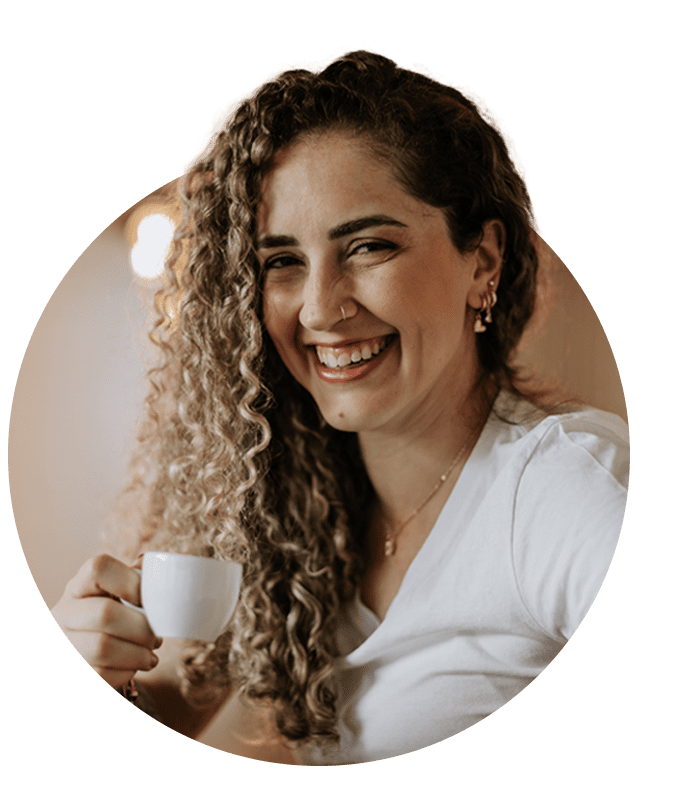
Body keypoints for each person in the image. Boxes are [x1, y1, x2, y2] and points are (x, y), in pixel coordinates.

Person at [50, 50, 629, 765]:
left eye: (368, 246)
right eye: (282, 262)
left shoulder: (565, 485)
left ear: (482, 259)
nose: (320, 309)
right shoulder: (290, 508)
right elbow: (157, 716)